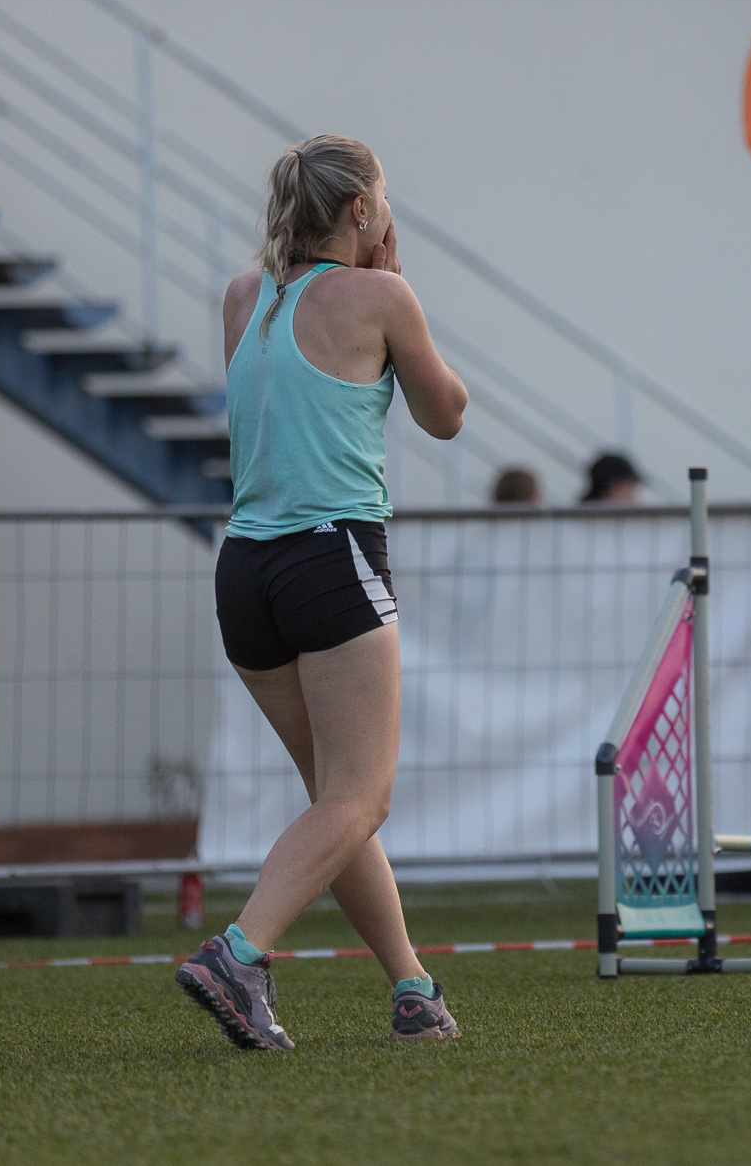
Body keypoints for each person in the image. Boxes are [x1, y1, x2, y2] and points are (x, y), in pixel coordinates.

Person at [181, 135, 468, 1050]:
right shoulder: (383, 296)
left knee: (332, 801)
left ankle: (413, 988)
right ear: (360, 211)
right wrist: (395, 287)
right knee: (358, 798)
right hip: (331, 556)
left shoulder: (243, 295)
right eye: (383, 201)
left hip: (246, 571)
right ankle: (238, 953)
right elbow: (447, 414)